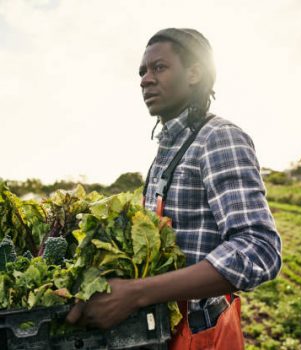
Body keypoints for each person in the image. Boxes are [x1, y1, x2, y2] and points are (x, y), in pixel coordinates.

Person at [67, 28, 282, 349]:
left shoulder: (218, 138)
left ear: (195, 72)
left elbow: (259, 249)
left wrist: (137, 293)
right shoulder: (166, 152)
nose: (145, 80)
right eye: (142, 72)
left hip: (202, 336)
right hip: (162, 333)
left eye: (159, 67)